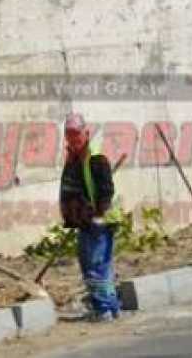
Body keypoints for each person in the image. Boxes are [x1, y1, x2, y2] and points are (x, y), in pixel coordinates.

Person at [59, 113, 121, 322]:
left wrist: (99, 214)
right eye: (69, 136)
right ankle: (111, 307)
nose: (73, 139)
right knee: (91, 265)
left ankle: (104, 310)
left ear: (86, 133)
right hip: (85, 220)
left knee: (96, 266)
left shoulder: (95, 156)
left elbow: (106, 189)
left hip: (99, 221)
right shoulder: (75, 155)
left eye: (76, 135)